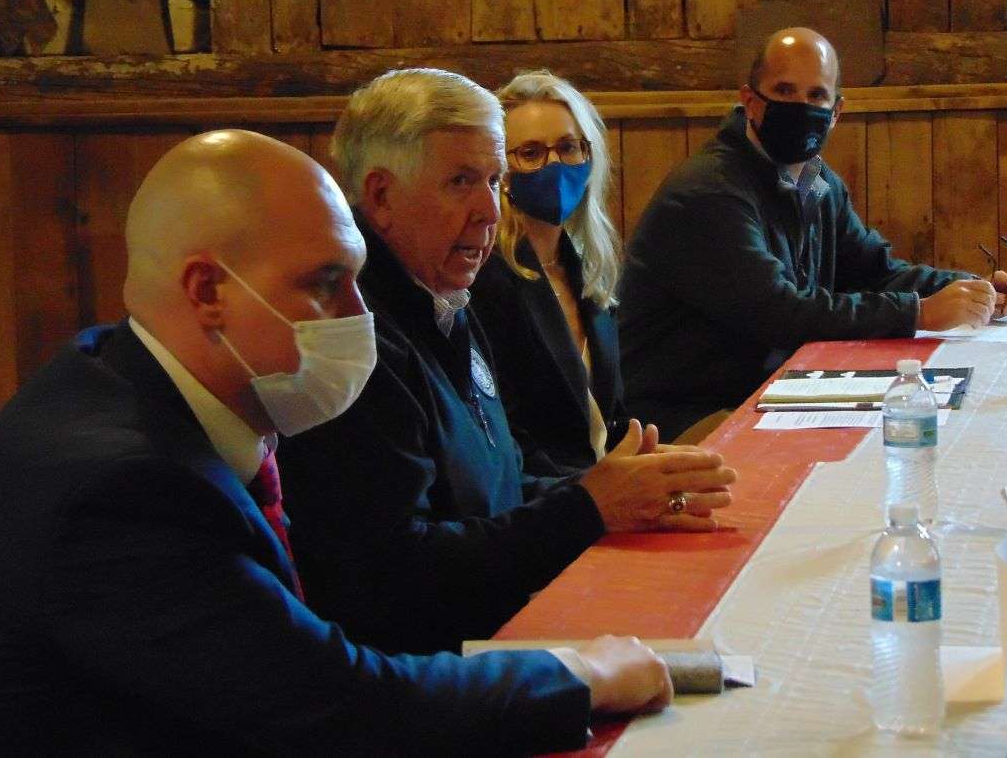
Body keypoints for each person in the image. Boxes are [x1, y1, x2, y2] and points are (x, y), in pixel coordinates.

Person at [0, 130, 673, 754]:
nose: (359, 314)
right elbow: (341, 709)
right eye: (325, 284)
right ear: (206, 292)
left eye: (356, 279)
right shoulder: (120, 490)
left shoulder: (121, 372)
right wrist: (579, 675)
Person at [280, 69, 736, 656]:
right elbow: (395, 577)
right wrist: (589, 506)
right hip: (433, 669)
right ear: (381, 197)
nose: (489, 211)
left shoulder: (443, 297)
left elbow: (499, 487)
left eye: (494, 182)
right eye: (460, 181)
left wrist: (625, 490)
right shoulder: (356, 340)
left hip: (501, 623)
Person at [618, 27, 1007, 440]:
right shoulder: (709, 191)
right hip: (680, 417)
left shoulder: (815, 181)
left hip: (777, 391)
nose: (800, 107)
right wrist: (920, 312)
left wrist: (969, 288)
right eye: (784, 90)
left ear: (836, 110)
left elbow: (873, 270)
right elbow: (779, 313)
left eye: (815, 96)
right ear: (750, 100)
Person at [469, 70, 626, 476]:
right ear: (502, 171)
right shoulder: (487, 279)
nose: (555, 164)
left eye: (569, 148)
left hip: (603, 482)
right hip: (547, 501)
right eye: (532, 153)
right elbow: (510, 439)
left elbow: (611, 417)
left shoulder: (584, 266)